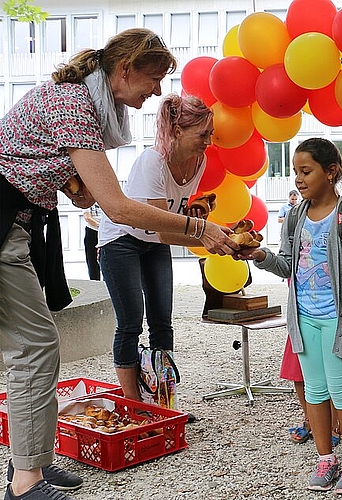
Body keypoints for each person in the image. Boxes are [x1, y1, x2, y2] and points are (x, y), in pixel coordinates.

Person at [0, 28, 236, 500]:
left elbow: (69, 181)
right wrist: (198, 230)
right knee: (35, 346)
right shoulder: (74, 106)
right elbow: (119, 209)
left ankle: (33, 465)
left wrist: (71, 184)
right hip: (5, 223)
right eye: (152, 78)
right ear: (124, 70)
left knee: (37, 345)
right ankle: (25, 482)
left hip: (21, 222)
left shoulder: (81, 102)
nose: (156, 91)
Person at [235, 138, 342, 495]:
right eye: (295, 172)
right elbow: (287, 264)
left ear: (330, 172)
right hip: (303, 318)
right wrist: (260, 256)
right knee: (314, 391)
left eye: (306, 171)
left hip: (338, 320)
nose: (298, 179)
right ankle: (325, 457)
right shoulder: (297, 215)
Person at [98, 93, 215, 419]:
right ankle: (135, 407)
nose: (208, 141)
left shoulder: (198, 161)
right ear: (177, 131)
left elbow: (175, 213)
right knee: (131, 322)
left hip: (153, 242)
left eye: (210, 134)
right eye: (202, 134)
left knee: (163, 323)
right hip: (121, 241)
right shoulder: (153, 161)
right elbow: (164, 228)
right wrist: (206, 233)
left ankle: (163, 404)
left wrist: (202, 221)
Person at [82, 204, 103, 280]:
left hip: (106, 232)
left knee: (107, 260)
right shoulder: (87, 199)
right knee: (92, 262)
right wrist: (100, 227)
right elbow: (87, 217)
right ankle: (95, 283)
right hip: (92, 231)